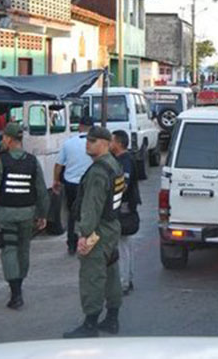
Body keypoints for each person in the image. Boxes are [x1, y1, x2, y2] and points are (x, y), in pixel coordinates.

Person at [63, 126, 125, 338]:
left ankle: (90, 324)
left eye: (93, 141)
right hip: (112, 227)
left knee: (92, 275)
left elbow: (92, 205)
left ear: (106, 144)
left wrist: (84, 234)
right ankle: (112, 319)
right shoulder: (113, 165)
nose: (88, 144)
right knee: (111, 273)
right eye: (88, 140)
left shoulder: (99, 171)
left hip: (98, 231)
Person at [0, 123, 49, 310]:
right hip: (27, 213)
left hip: (6, 213)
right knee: (23, 249)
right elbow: (42, 191)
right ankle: (19, 286)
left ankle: (16, 293)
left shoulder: (1, 161)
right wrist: (43, 215)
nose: (2, 140)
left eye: (4, 137)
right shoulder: (32, 161)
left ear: (9, 139)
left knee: (9, 250)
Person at [53, 116, 95, 255]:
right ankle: (89, 243)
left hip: (71, 184)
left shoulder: (68, 143)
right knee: (89, 213)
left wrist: (56, 181)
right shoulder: (95, 144)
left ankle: (72, 243)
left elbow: (59, 165)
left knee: (72, 214)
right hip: (89, 184)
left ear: (80, 126)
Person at [110, 130, 141, 295]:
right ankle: (127, 279)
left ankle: (123, 282)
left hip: (123, 208)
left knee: (122, 246)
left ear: (119, 143)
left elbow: (124, 185)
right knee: (125, 245)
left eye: (111, 141)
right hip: (125, 206)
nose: (109, 144)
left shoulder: (125, 161)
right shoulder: (122, 159)